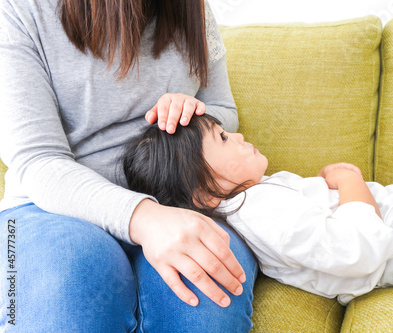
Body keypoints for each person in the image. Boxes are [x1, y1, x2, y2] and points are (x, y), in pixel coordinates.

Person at [0, 0, 257, 331]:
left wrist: (194, 111)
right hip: (51, 209)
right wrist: (144, 217)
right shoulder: (18, 10)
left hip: (177, 197)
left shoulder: (192, 9)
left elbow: (222, 109)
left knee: (209, 300)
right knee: (68, 288)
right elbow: (38, 161)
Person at [123, 113, 393, 306]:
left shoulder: (256, 196)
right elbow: (360, 249)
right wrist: (350, 179)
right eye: (222, 138)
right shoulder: (263, 215)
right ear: (204, 195)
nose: (237, 135)